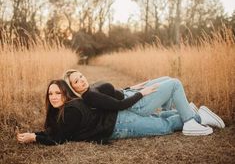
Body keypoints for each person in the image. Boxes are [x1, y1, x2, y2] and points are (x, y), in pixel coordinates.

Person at [16, 78, 225, 145]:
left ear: (65, 94)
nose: (53, 97)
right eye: (50, 93)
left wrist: (35, 137)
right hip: (119, 120)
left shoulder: (70, 111)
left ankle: (196, 117)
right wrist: (37, 134)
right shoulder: (64, 110)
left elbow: (59, 138)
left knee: (164, 125)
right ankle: (196, 114)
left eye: (57, 93)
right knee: (159, 116)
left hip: (120, 124)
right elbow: (57, 131)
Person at [63, 69, 225, 136]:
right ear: (73, 87)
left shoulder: (91, 88)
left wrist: (132, 87)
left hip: (130, 93)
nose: (81, 81)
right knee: (174, 84)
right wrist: (141, 93)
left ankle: (182, 112)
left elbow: (113, 93)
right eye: (76, 81)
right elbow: (119, 105)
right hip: (136, 104)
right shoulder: (89, 97)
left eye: (81, 76)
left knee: (166, 79)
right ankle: (190, 121)